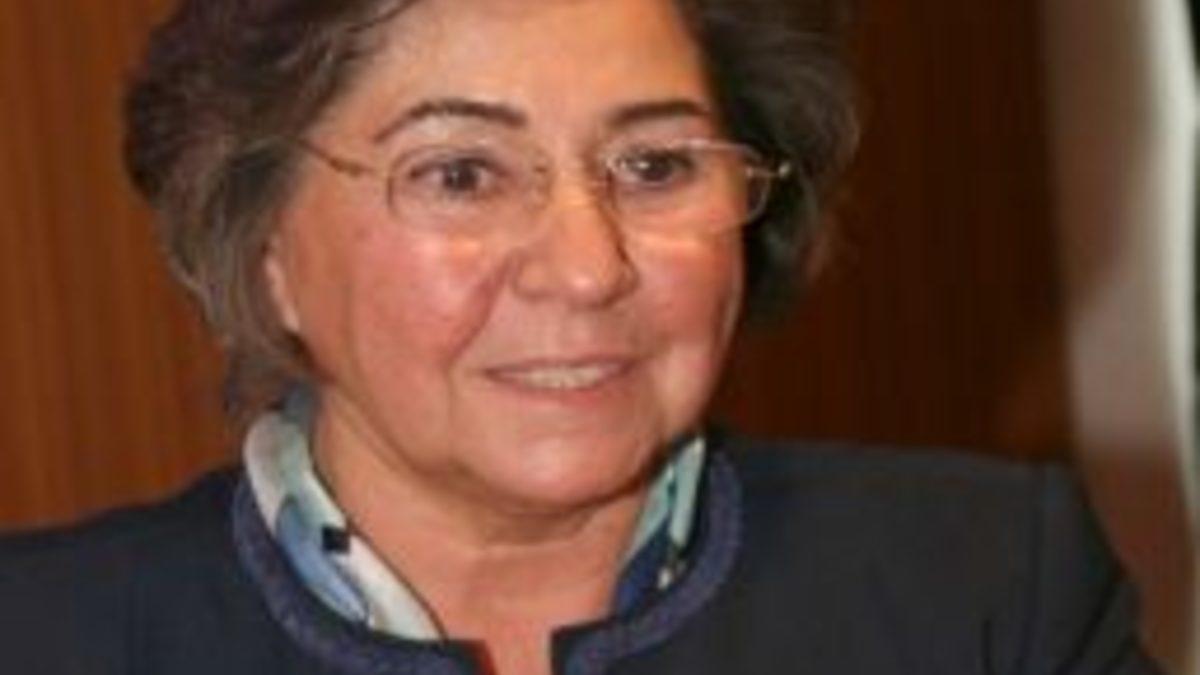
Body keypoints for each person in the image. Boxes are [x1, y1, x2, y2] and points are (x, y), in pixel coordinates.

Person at [0, 0, 1163, 673]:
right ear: (262, 244)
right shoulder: (43, 636)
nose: (587, 267)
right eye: (460, 174)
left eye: (654, 165)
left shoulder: (989, 592)